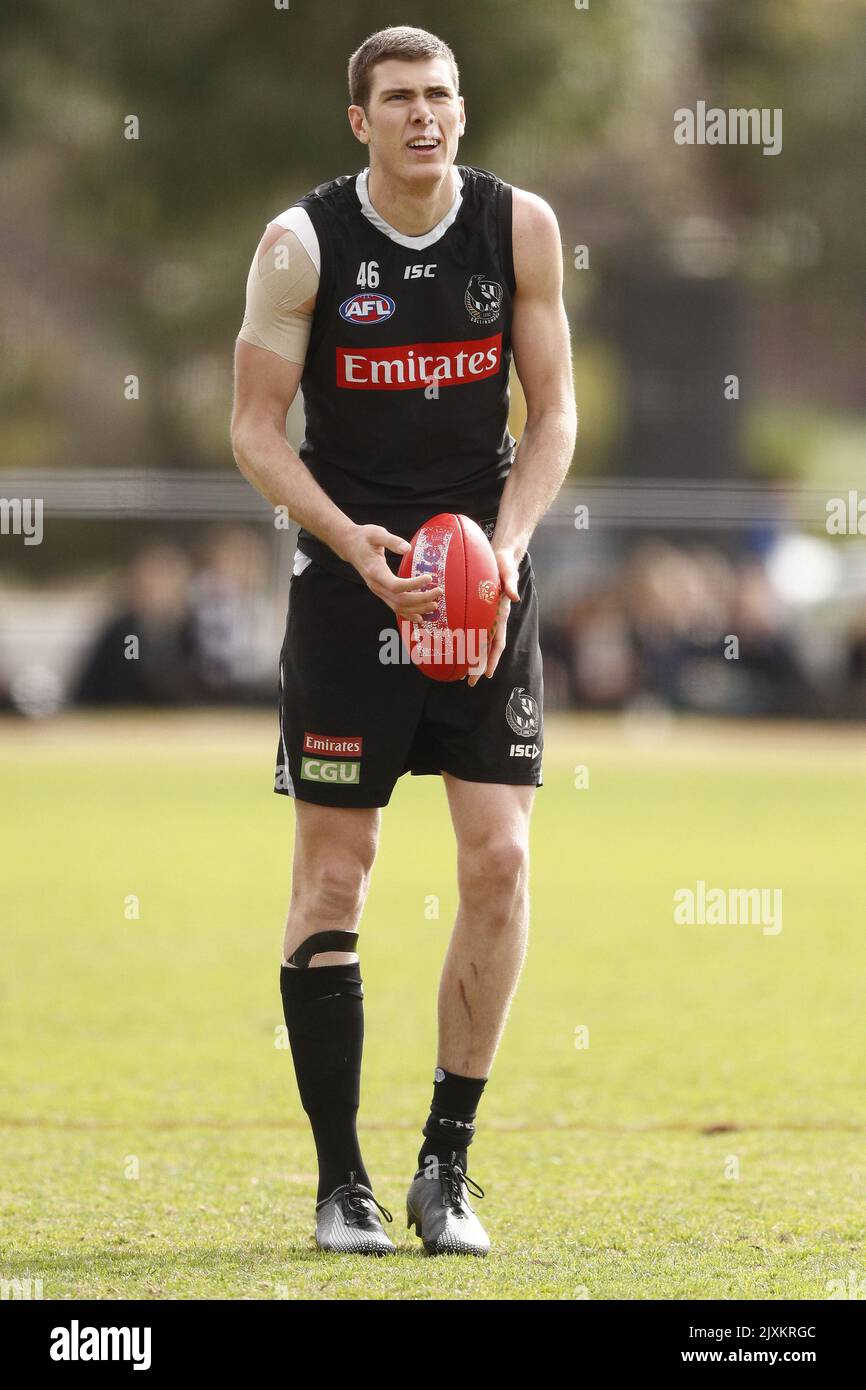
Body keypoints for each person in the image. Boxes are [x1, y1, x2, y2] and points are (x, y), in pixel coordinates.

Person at [231, 25, 576, 1256]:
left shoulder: (517, 227)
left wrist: (510, 548)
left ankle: (446, 1166)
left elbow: (551, 415)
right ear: (359, 121)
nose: (423, 115)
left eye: (439, 95)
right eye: (397, 99)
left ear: (461, 110)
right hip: (348, 591)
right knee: (335, 875)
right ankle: (343, 1186)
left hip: (484, 587)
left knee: (500, 862)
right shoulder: (303, 242)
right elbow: (256, 428)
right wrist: (351, 543)